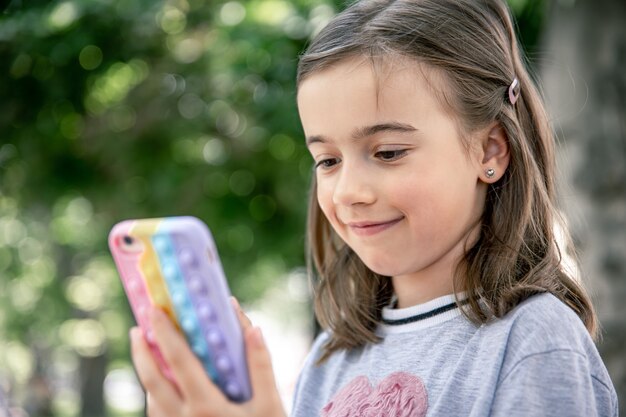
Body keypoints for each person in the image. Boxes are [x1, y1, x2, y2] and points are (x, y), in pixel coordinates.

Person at [129, 0, 619, 415]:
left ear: (490, 151)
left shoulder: (534, 340)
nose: (348, 192)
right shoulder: (330, 358)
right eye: (327, 160)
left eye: (387, 152)